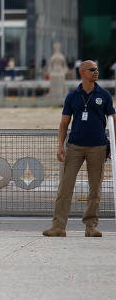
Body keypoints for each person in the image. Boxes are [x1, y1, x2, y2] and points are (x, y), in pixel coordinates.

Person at [43, 60, 115, 238]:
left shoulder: (104, 95)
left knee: (95, 189)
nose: (96, 71)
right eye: (92, 69)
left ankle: (91, 227)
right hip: (74, 147)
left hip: (98, 147)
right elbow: (64, 123)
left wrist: (113, 146)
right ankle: (58, 227)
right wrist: (60, 145)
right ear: (82, 72)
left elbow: (113, 120)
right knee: (65, 188)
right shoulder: (72, 96)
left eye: (97, 69)